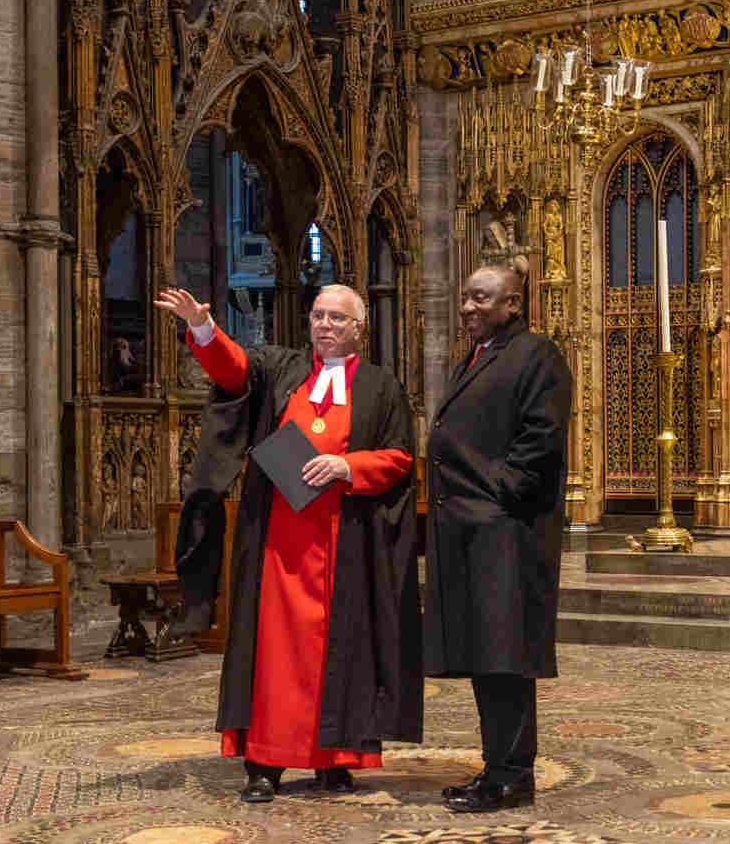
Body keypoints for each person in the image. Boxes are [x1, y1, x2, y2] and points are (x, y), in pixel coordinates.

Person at [158, 284, 422, 804]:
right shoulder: (281, 369)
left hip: (345, 544)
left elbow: (400, 457)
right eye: (318, 316)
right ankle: (265, 763)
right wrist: (202, 329)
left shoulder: (380, 387)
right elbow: (232, 372)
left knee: (344, 651)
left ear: (358, 329)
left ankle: (335, 757)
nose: (324, 326)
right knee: (275, 655)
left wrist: (348, 465)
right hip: (278, 542)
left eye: (337, 319)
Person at [426, 265, 572, 814]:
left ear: (513, 303)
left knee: (505, 656)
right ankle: (498, 768)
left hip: (506, 533)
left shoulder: (536, 355)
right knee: (488, 655)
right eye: (465, 297)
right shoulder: (482, 354)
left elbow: (541, 439)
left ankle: (512, 776)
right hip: (473, 528)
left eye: (480, 299)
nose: (467, 307)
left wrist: (497, 497)